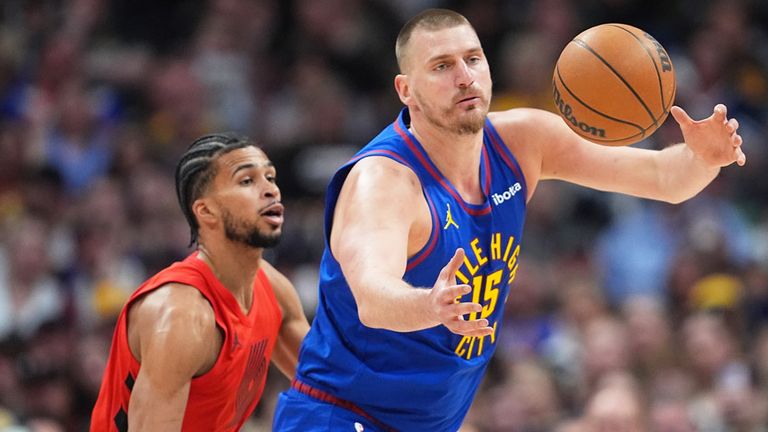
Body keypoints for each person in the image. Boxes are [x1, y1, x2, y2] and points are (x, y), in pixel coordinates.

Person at [272, 8, 746, 432]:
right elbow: (373, 297)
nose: (464, 77)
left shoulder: (523, 139)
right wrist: (431, 306)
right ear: (406, 89)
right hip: (340, 416)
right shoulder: (384, 182)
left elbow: (665, 178)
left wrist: (705, 157)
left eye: (473, 59)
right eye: (441, 66)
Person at [91, 133, 309, 431]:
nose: (270, 190)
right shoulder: (181, 316)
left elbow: (329, 385)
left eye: (270, 177)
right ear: (206, 211)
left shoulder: (273, 289)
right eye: (247, 181)